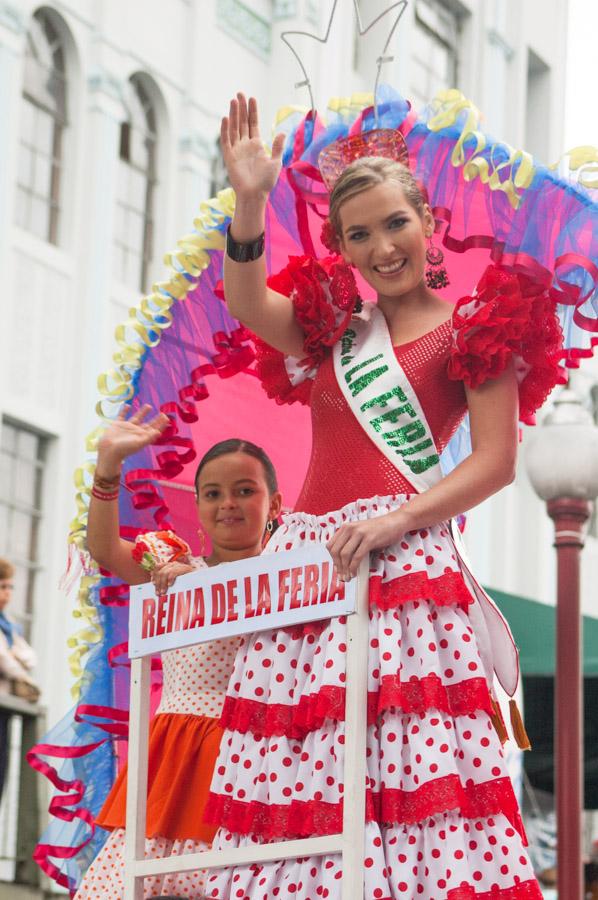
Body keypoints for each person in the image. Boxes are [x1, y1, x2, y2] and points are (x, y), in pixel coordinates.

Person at [200, 94, 561, 898]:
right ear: (343, 246)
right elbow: (249, 301)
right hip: (308, 564)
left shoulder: (478, 326)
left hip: (405, 562)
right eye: (358, 233)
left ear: (427, 222)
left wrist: (397, 519)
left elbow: (496, 461)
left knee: (401, 758)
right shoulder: (334, 327)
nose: (380, 246)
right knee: (297, 762)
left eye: (394, 223)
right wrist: (251, 201)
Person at [74, 406, 281, 899]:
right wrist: (108, 466)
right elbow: (104, 550)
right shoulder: (170, 565)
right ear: (198, 504)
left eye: (244, 491)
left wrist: (207, 583)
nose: (227, 503)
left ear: (275, 505)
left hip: (248, 763)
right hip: (170, 760)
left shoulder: (291, 576)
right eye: (212, 493)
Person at [0, 559, 38, 802]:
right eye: (3, 586)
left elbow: (30, 658)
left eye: (10, 587)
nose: (8, 594)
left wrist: (14, 657)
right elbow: (6, 661)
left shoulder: (9, 626)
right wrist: (14, 659)